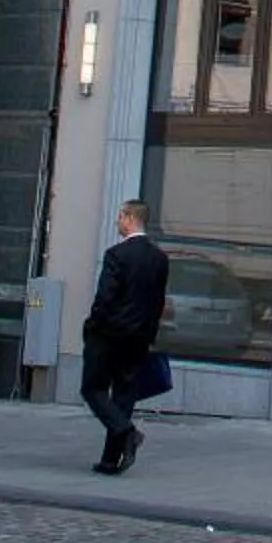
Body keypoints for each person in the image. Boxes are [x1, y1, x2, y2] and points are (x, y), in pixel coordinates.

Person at [80, 198, 169, 474]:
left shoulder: (116, 255)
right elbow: (157, 302)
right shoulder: (159, 258)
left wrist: (92, 326)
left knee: (92, 389)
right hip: (138, 337)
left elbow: (105, 297)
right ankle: (112, 458)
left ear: (130, 218)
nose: (117, 221)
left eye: (120, 216)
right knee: (124, 394)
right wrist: (149, 333)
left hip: (109, 334)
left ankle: (126, 431)